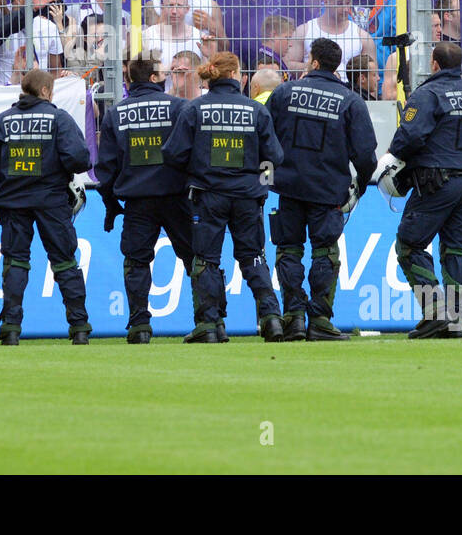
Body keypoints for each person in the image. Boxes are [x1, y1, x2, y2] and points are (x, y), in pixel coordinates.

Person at [162, 51, 285, 343]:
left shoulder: (194, 109)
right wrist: (262, 186)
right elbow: (275, 157)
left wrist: (196, 170)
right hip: (247, 197)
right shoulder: (256, 111)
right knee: (254, 257)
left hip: (207, 196)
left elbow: (172, 154)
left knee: (206, 259)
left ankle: (209, 324)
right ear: (236, 76)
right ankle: (271, 319)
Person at [266, 38, 377, 341]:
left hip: (288, 188)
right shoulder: (350, 100)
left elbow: (265, 139)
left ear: (314, 61)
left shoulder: (284, 92)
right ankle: (319, 320)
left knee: (288, 250)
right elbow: (366, 152)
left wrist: (267, 181)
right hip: (329, 191)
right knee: (325, 253)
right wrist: (361, 185)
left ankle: (293, 319)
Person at [372, 42, 462, 338]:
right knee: (456, 249)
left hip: (437, 181)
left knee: (409, 245)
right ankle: (457, 320)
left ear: (434, 64)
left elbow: (407, 139)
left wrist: (394, 156)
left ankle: (435, 312)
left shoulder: (428, 94)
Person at [0, 68, 93, 344]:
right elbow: (80, 159)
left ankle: (10, 328)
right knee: (65, 261)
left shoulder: (2, 121)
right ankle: (79, 327)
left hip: (14, 204)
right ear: (45, 91)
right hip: (52, 202)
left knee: (16, 262)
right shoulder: (59, 118)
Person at [94, 56, 196, 343]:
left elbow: (107, 166)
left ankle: (139, 325)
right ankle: (210, 321)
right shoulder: (180, 107)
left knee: (136, 261)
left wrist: (111, 203)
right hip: (177, 196)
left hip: (138, 200)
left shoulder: (116, 113)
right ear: (153, 78)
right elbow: (192, 153)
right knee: (197, 259)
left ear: (128, 81)